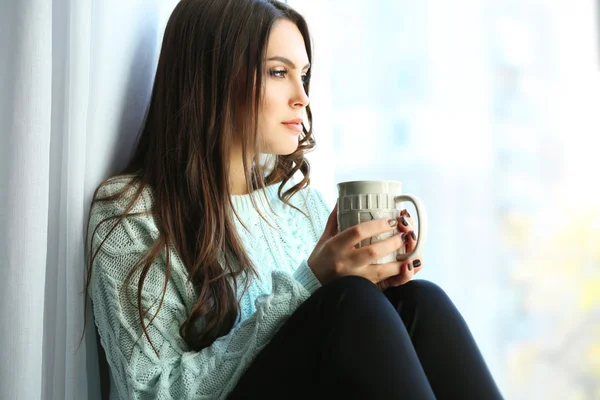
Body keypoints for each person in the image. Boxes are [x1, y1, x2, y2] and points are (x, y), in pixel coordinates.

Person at [83, 0, 503, 399]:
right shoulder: (130, 213)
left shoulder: (299, 206)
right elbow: (152, 391)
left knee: (417, 302)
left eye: (303, 75)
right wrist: (312, 284)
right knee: (350, 305)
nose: (302, 96)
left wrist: (376, 285)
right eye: (278, 72)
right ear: (212, 75)